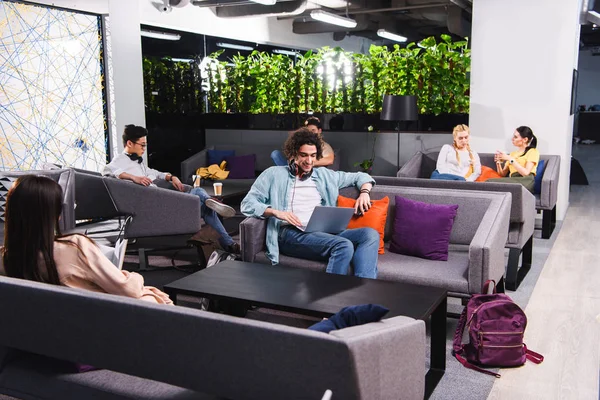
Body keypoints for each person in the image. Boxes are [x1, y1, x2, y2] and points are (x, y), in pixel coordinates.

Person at [0, 175, 173, 305]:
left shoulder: (4, 259)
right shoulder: (74, 248)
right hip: (96, 327)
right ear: (55, 215)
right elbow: (129, 290)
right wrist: (132, 276)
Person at [242, 127, 379, 279]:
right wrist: (275, 212)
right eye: (304, 155)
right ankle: (329, 299)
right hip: (289, 233)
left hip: (323, 231)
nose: (309, 161)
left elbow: (361, 176)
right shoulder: (273, 174)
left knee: (369, 234)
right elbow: (247, 204)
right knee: (343, 246)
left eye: (313, 156)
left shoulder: (325, 175)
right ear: (293, 154)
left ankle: (364, 288)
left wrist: (365, 193)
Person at [103, 125, 239, 253]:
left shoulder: (137, 162)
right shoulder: (119, 161)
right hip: (155, 208)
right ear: (129, 143)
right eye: (142, 145)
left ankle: (230, 244)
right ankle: (212, 201)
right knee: (197, 192)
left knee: (207, 210)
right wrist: (134, 178)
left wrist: (171, 177)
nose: (144, 148)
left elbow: (153, 172)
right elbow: (106, 171)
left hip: (162, 202)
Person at [488, 126, 539, 193]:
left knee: (488, 182)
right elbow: (502, 174)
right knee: (489, 183)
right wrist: (498, 163)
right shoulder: (513, 154)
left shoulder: (532, 151)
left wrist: (510, 159)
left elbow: (526, 173)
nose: (512, 139)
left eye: (515, 137)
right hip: (513, 179)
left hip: (525, 180)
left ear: (525, 139)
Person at [270, 117, 335, 167]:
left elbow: (330, 160)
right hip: (295, 168)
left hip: (310, 172)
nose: (311, 133)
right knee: (275, 154)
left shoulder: (324, 145)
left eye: (313, 130)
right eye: (309, 130)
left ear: (319, 131)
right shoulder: (302, 142)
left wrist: (309, 162)